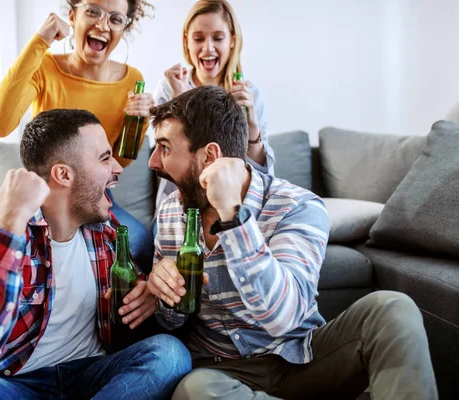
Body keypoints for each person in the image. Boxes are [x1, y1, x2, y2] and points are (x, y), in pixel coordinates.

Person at [146, 86, 438, 399]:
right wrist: (164, 290)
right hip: (222, 373)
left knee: (392, 309)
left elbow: (281, 317)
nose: (152, 162)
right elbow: (172, 321)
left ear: (210, 157)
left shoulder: (296, 206)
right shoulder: (171, 213)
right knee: (195, 391)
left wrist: (233, 217)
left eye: (164, 148)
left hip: (302, 359)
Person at [0, 109, 191, 399]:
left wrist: (150, 294)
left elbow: (138, 315)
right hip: (16, 385)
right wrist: (10, 224)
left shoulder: (106, 233)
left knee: (169, 354)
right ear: (63, 174)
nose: (117, 167)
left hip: (92, 376)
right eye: (104, 157)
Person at [0, 0, 155, 271]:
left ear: (124, 28)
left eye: (115, 19)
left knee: (140, 246)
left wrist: (140, 122)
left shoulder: (132, 79)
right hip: (46, 200)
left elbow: (118, 163)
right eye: (92, 11)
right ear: (72, 16)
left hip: (97, 197)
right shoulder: (44, 67)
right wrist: (39, 42)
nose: (102, 25)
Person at [153, 0, 275, 215]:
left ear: (232, 41)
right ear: (186, 41)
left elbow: (262, 177)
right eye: (198, 38)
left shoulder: (250, 94)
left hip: (235, 206)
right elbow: (161, 158)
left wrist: (253, 129)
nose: (208, 48)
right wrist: (179, 100)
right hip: (180, 207)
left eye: (218, 38)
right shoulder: (170, 86)